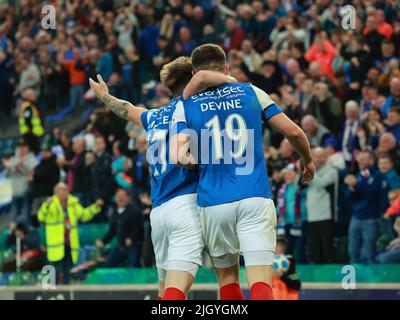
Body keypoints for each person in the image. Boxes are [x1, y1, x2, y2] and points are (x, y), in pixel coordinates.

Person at [171, 44, 314, 300]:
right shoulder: (252, 92)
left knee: (228, 280)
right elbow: (293, 132)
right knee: (260, 283)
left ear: (193, 73)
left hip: (213, 203)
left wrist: (205, 161)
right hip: (255, 197)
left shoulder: (185, 106)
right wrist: (307, 160)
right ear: (226, 69)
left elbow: (180, 157)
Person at [89, 58, 234, 300]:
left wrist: (105, 97)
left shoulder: (155, 116)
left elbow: (127, 109)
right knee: (178, 292)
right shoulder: (194, 110)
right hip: (185, 205)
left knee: (164, 290)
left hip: (159, 213)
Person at [37, 182, 104, 284]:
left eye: (66, 189)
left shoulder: (73, 204)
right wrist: (46, 205)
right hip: (56, 245)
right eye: (62, 190)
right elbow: (41, 217)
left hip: (69, 243)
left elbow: (84, 215)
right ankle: (53, 293)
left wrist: (95, 207)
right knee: (55, 270)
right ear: (56, 192)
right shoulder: (50, 204)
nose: (65, 192)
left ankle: (66, 291)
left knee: (67, 270)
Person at [345, 150, 388, 264]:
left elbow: (373, 192)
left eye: (364, 159)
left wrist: (356, 185)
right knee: (352, 251)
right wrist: (351, 188)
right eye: (359, 159)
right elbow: (349, 198)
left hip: (370, 218)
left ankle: (369, 281)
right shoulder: (358, 176)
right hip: (356, 217)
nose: (360, 162)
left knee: (367, 253)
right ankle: (353, 279)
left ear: (371, 161)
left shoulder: (378, 176)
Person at [96, 188, 144, 268]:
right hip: (120, 247)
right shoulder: (114, 213)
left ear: (128, 198)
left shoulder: (135, 211)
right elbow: (112, 231)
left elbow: (139, 230)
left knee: (135, 264)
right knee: (109, 264)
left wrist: (131, 238)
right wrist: (103, 241)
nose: (120, 198)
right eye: (118, 196)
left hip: (134, 246)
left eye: (123, 196)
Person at [306, 147, 338, 264]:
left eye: (321, 156)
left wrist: (310, 170)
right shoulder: (312, 171)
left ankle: (330, 277)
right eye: (316, 156)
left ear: (326, 157)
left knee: (327, 248)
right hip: (311, 216)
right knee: (315, 249)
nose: (318, 159)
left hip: (326, 215)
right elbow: (298, 185)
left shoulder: (332, 171)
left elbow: (321, 183)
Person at [2, 140, 37, 222]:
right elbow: (6, 174)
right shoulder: (13, 159)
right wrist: (7, 166)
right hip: (15, 192)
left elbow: (32, 175)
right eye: (20, 147)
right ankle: (15, 233)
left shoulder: (32, 159)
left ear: (27, 148)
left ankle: (25, 232)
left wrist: (21, 167)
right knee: (14, 216)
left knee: (25, 215)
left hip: (26, 191)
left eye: (24, 147)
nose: (22, 149)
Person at [18, 89, 45, 154]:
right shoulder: (27, 106)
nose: (36, 96)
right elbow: (27, 120)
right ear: (29, 96)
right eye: (34, 95)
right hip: (30, 135)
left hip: (33, 134)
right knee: (35, 152)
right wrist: (31, 132)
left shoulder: (31, 104)